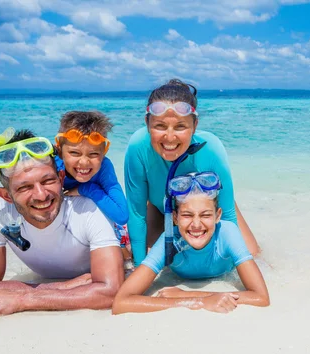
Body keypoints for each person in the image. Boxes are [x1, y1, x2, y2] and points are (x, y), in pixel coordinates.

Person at [0, 129, 124, 316]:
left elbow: (111, 291)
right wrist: (61, 286)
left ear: (61, 178)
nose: (41, 195)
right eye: (25, 187)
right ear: (6, 196)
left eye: (48, 180)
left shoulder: (88, 208)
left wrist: (24, 300)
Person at [124, 79, 259, 266]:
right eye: (160, 126)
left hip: (202, 210)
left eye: (180, 126)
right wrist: (137, 266)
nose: (169, 137)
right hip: (159, 208)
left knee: (253, 256)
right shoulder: (138, 145)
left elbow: (227, 216)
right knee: (154, 263)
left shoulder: (211, 148)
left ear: (195, 125)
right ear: (147, 123)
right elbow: (136, 213)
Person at [112, 172, 269, 314]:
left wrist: (187, 295)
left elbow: (261, 297)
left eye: (205, 215)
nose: (196, 224)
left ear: (218, 215)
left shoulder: (227, 232)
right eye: (187, 215)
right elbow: (121, 302)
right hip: (166, 222)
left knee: (257, 254)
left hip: (224, 237)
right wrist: (201, 302)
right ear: (175, 218)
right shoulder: (169, 241)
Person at [55, 111, 132, 264]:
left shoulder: (104, 167)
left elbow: (122, 214)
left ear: (104, 152)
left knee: (126, 256)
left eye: (93, 154)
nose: (84, 162)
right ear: (59, 149)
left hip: (101, 224)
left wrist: (87, 189)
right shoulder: (52, 165)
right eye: (74, 153)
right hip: (66, 229)